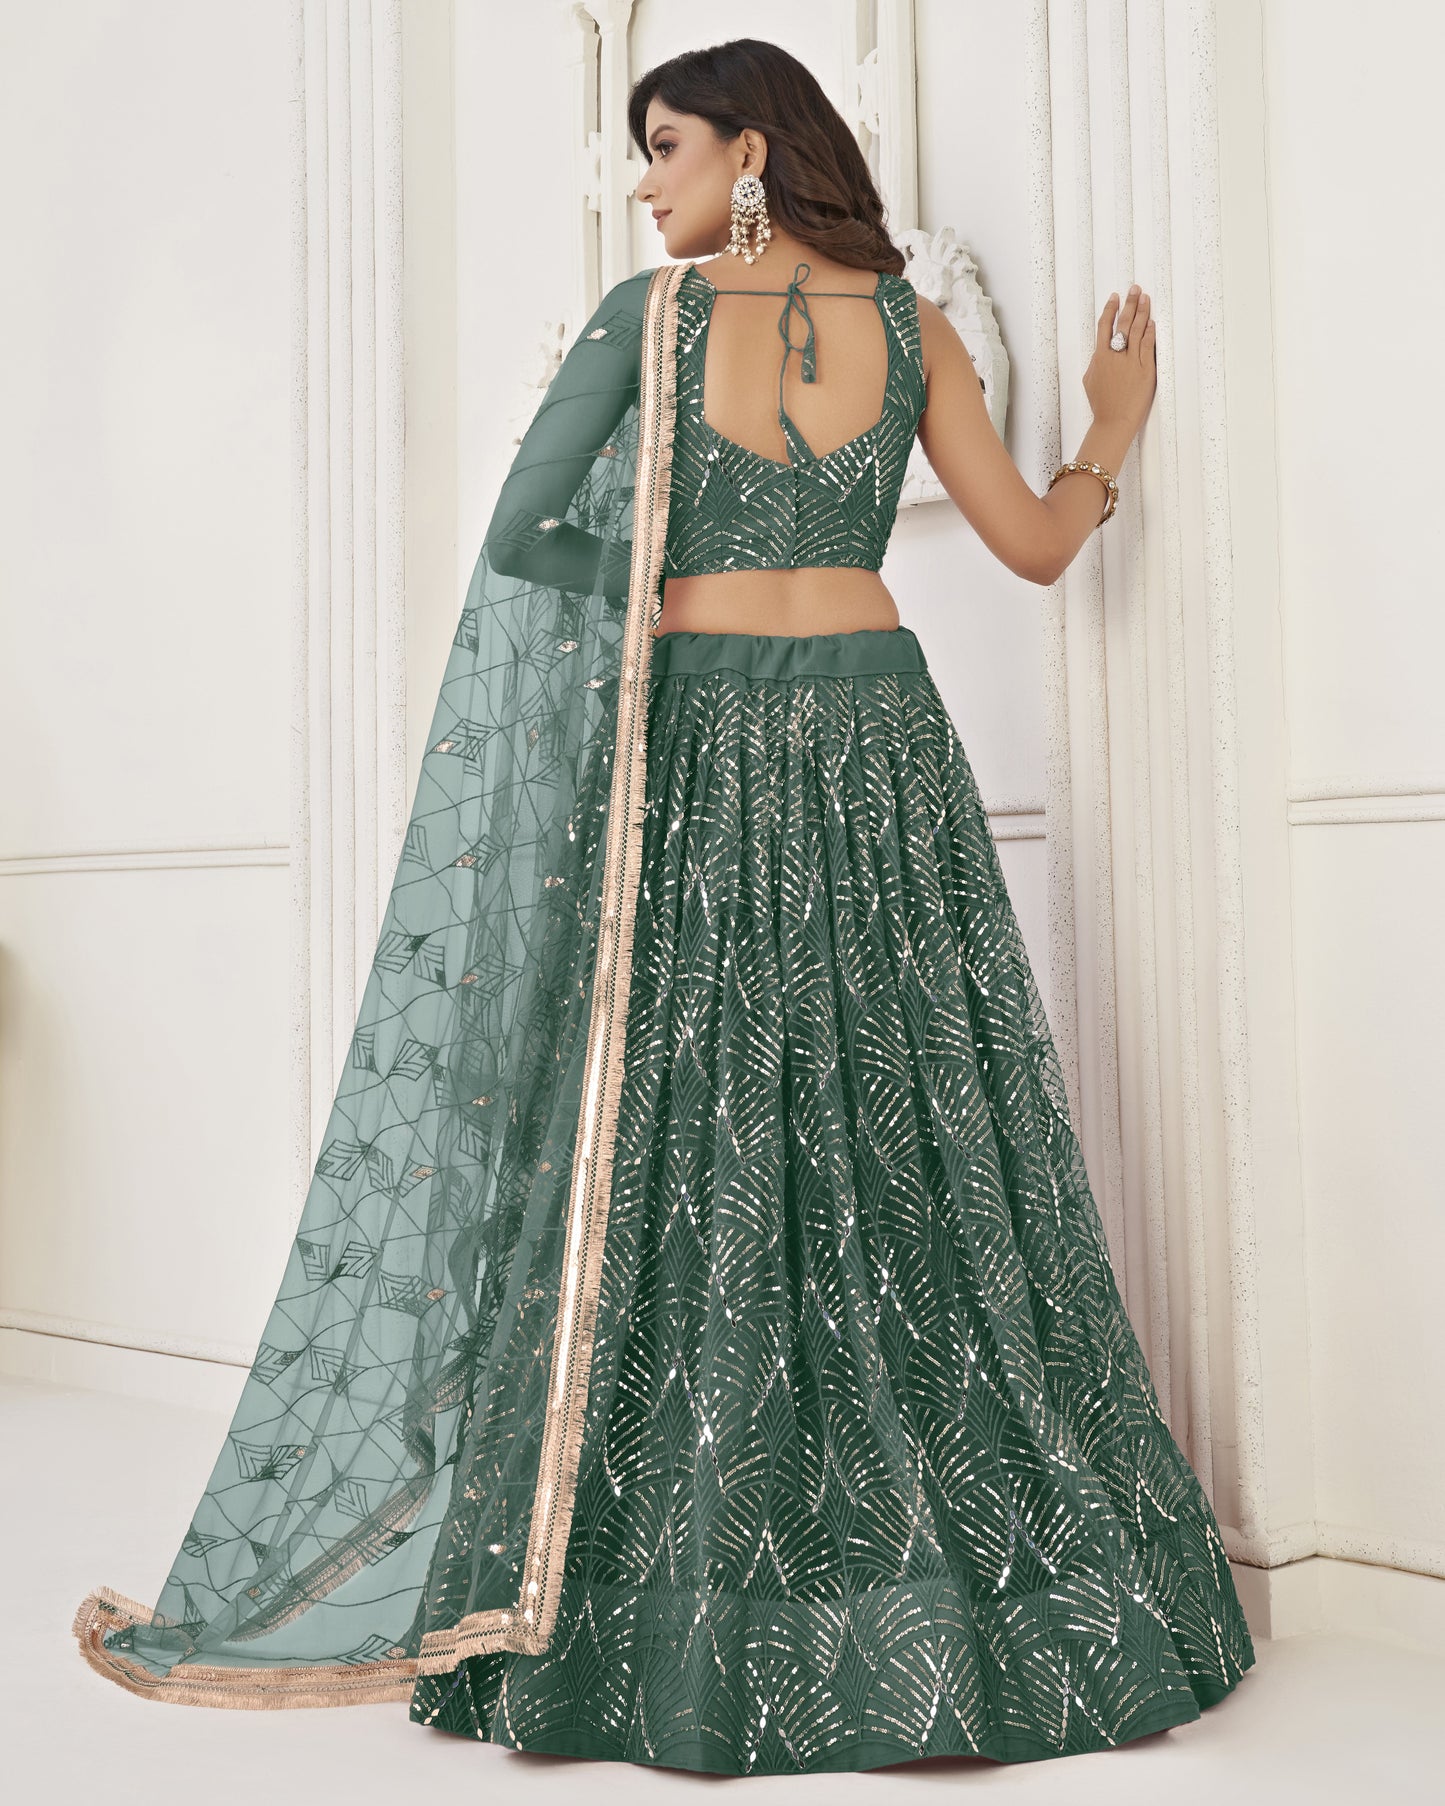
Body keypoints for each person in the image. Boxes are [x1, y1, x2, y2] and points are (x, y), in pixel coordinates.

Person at [74, 37, 1252, 1774]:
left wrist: (655, 557)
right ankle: (946, 1586)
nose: (645, 180)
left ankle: (689, 1583)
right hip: (872, 736)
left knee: (694, 1129)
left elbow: (523, 538)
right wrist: (1110, 432)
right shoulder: (910, 327)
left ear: (752, 149)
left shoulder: (651, 321)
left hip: (703, 743)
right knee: (899, 1122)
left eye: (664, 143)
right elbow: (1032, 542)